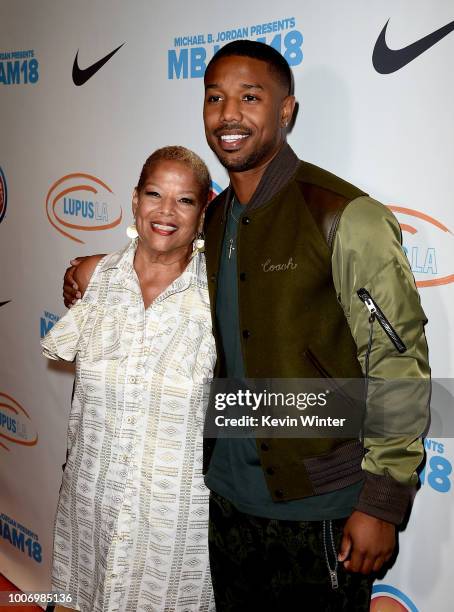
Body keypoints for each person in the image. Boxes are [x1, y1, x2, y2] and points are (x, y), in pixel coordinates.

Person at [64, 42, 430, 611]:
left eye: (249, 97)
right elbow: (156, 260)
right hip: (224, 502)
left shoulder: (342, 215)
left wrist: (382, 500)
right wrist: (91, 268)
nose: (228, 114)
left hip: (319, 509)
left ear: (285, 111)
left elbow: (398, 362)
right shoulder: (210, 219)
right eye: (215, 98)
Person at [44, 146, 216, 612]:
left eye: (184, 201)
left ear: (204, 212)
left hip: (174, 522)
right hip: (91, 501)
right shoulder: (93, 277)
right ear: (135, 200)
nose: (165, 211)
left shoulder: (221, 299)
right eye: (155, 194)